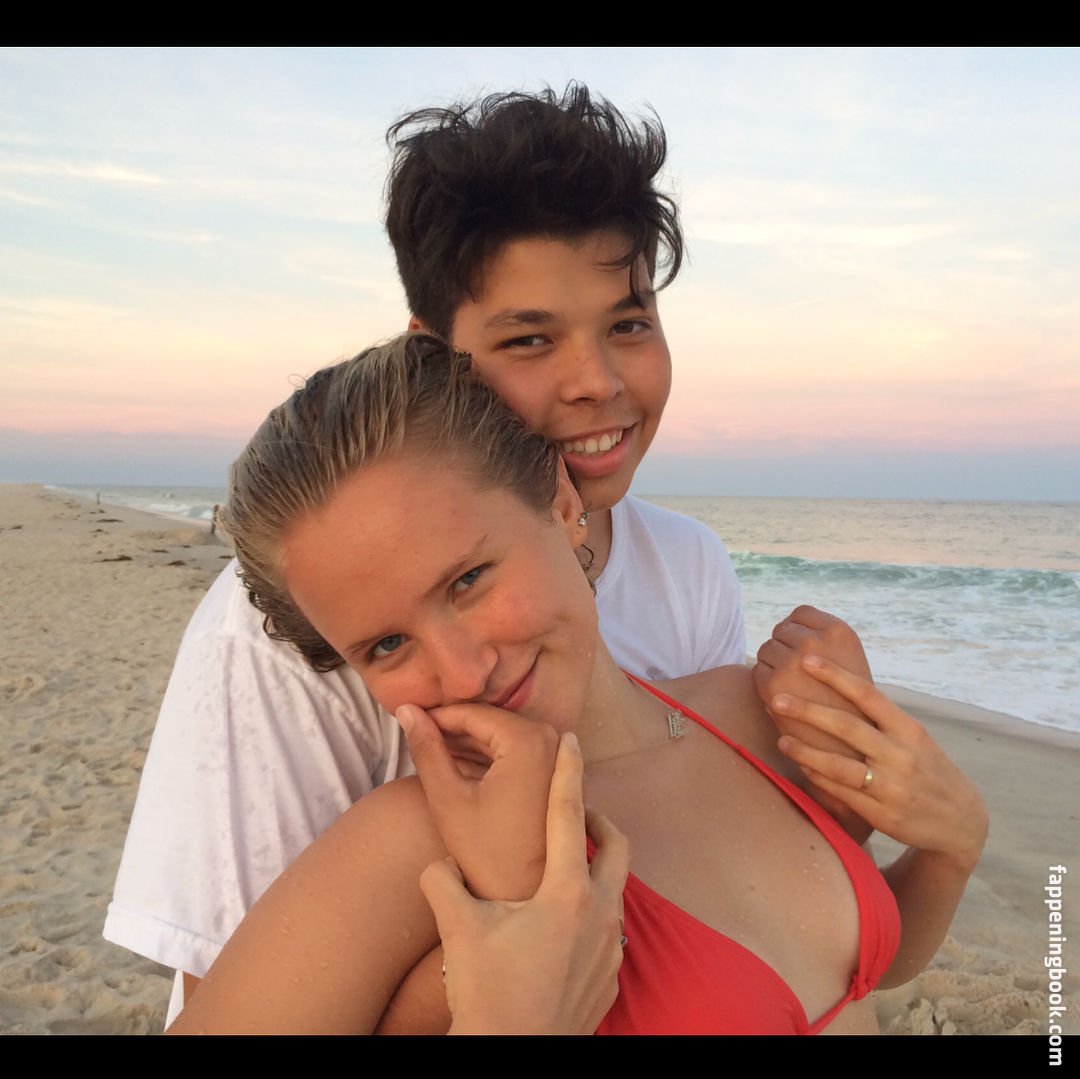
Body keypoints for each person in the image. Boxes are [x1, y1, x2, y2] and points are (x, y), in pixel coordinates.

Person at [105, 85, 874, 1024]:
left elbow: (731, 881)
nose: (596, 382)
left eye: (628, 324)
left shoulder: (688, 566)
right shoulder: (290, 627)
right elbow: (242, 987)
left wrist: (913, 825)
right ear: (435, 358)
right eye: (530, 339)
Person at [167, 334, 987, 1035]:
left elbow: (856, 970)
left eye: (468, 580)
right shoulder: (414, 852)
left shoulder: (752, 712)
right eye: (387, 644)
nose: (463, 671)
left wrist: (950, 849)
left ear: (561, 505)